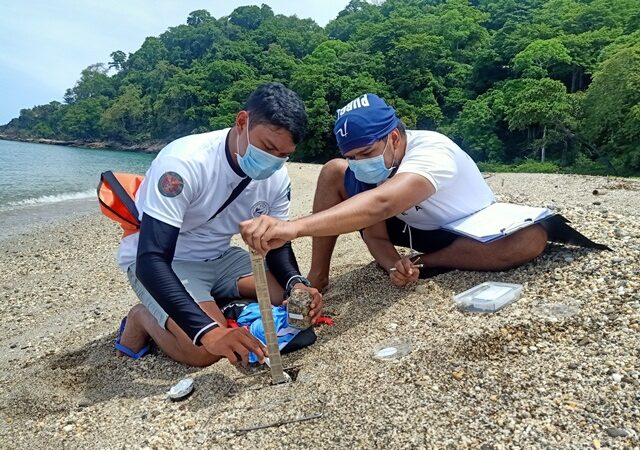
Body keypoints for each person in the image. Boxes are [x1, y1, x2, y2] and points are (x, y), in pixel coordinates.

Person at [239, 93, 549, 290]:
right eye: (353, 156)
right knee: (334, 171)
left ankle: (430, 262)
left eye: (366, 152)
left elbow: (381, 204)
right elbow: (373, 232)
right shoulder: (370, 168)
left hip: (461, 230)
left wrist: (293, 228)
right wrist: (391, 264)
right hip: (408, 227)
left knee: (531, 238)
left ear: (395, 138)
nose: (360, 163)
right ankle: (318, 275)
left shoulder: (432, 152)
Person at [114, 83, 323, 367]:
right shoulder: (184, 164)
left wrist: (297, 284)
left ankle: (213, 304)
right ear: (241, 122)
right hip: (170, 263)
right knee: (205, 350)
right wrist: (209, 333)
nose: (273, 161)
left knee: (291, 305)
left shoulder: (276, 177)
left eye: (283, 155)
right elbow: (151, 259)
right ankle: (143, 317)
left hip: (223, 259)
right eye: (267, 147)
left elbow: (278, 245)